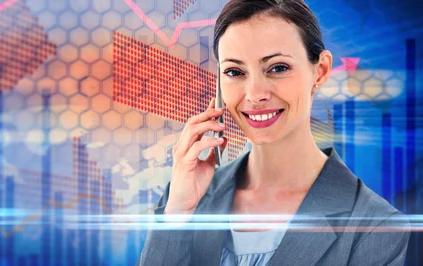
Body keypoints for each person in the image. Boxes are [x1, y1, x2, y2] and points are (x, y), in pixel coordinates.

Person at [138, 0, 410, 265]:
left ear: (321, 70)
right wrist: (177, 216)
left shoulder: (376, 229)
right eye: (235, 71)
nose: (255, 94)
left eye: (278, 68)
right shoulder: (185, 196)